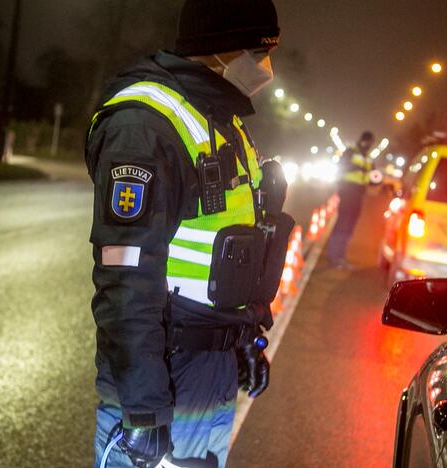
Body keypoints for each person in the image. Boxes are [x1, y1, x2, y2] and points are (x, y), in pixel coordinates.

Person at [84, 1, 292, 467]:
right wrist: (143, 410)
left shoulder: (223, 121)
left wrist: (243, 343)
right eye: (257, 52)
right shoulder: (145, 128)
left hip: (209, 372)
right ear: (219, 47)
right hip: (162, 375)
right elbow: (125, 282)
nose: (266, 68)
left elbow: (231, 252)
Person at [325, 131, 376, 269]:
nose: (368, 145)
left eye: (370, 143)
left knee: (349, 226)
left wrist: (376, 179)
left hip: (359, 195)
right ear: (362, 140)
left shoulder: (368, 158)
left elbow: (371, 177)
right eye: (367, 142)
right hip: (347, 192)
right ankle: (334, 256)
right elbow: (342, 167)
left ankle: (340, 256)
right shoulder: (351, 152)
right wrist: (357, 167)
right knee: (343, 223)